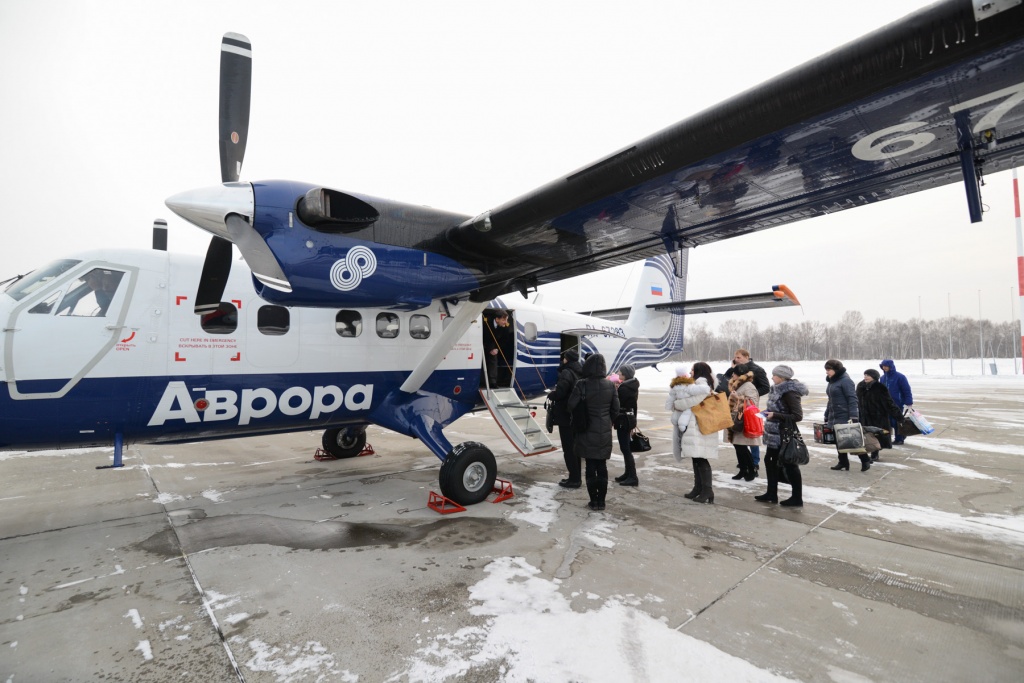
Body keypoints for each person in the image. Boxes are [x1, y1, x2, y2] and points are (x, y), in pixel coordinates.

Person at [567, 353, 620, 511]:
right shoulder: (610, 385)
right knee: (602, 465)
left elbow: (570, 405)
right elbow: (616, 409)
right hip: (604, 430)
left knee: (590, 465)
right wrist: (607, 420)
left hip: (585, 429)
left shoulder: (581, 384)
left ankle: (593, 501)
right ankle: (601, 502)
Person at [754, 365, 809, 507]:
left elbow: (797, 416)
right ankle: (771, 494)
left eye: (774, 375)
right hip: (774, 433)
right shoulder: (777, 389)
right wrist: (768, 411)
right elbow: (780, 408)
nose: (772, 377)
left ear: (782, 377)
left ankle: (797, 498)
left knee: (789, 464)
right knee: (770, 461)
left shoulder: (789, 392)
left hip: (783, 434)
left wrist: (775, 415)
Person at [672, 362, 720, 504]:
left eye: (693, 369)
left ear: (699, 371)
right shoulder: (702, 383)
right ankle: (699, 488)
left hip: (699, 425)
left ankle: (707, 490)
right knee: (696, 457)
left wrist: (677, 404)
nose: (691, 372)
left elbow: (691, 402)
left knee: (701, 458)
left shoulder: (701, 383)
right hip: (697, 424)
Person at [719, 349, 768, 472]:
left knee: (751, 434)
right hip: (737, 406)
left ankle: (754, 462)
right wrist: (732, 370)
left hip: (749, 406)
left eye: (739, 357)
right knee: (738, 436)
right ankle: (744, 463)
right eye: (735, 357)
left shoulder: (757, 370)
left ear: (747, 357)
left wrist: (751, 395)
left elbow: (765, 387)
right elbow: (725, 381)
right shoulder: (735, 369)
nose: (736, 359)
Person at [824, 359, 870, 472]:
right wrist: (827, 414)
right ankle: (843, 462)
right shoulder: (832, 381)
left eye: (829, 370)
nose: (827, 372)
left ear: (836, 370)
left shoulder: (845, 381)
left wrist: (854, 416)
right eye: (826, 370)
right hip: (834, 415)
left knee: (851, 440)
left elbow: (852, 399)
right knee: (838, 440)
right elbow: (831, 400)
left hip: (844, 415)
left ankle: (865, 460)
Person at [547, 349, 584, 488]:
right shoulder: (580, 371)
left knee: (568, 449)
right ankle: (576, 477)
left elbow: (561, 392)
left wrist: (552, 395)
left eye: (564, 358)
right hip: (576, 414)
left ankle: (574, 479)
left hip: (565, 415)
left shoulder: (566, 372)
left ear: (567, 359)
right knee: (575, 448)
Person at [857, 369, 903, 460]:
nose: (866, 377)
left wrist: (899, 416)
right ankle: (866, 454)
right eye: (865, 375)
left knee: (876, 435)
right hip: (864, 416)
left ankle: (875, 454)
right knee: (865, 435)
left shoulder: (880, 387)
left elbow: (889, 403)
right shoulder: (860, 386)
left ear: (874, 377)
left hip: (877, 417)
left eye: (868, 375)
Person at [725, 364, 761, 481]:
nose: (732, 375)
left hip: (743, 420)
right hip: (735, 419)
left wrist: (738, 398)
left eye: (734, 373)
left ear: (739, 375)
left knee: (742, 447)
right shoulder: (737, 384)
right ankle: (743, 470)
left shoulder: (748, 386)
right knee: (738, 446)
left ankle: (751, 469)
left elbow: (753, 403)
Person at [613, 364, 640, 487]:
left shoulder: (624, 388)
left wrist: (615, 390)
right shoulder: (632, 385)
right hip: (629, 419)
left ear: (625, 374)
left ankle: (632, 476)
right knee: (626, 448)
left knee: (625, 449)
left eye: (620, 373)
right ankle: (628, 473)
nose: (618, 374)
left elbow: (617, 402)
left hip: (623, 420)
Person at [879, 359, 914, 445]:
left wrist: (908, 401)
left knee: (896, 422)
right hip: (885, 403)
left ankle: (899, 439)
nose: (885, 368)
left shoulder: (900, 377)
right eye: (883, 366)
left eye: (886, 366)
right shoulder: (883, 378)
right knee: (887, 422)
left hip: (897, 403)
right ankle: (889, 438)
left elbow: (906, 390)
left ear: (891, 366)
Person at [484, 311, 514, 387]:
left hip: (495, 345)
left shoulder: (505, 327)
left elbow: (505, 340)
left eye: (506, 320)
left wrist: (496, 349)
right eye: (504, 320)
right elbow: (484, 337)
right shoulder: (486, 323)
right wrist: (489, 349)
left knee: (493, 358)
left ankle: (492, 382)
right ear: (497, 319)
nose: (505, 322)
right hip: (484, 343)